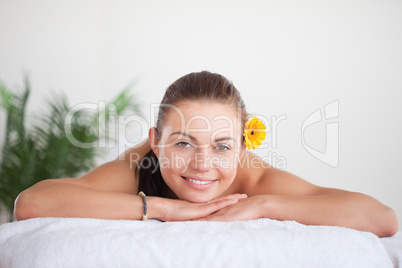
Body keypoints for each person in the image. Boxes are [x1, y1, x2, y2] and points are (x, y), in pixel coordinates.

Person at [14, 71, 398, 237]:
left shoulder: (257, 179)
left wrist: (262, 205)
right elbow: (31, 204)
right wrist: (165, 209)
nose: (202, 164)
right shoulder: (141, 165)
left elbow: (381, 219)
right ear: (156, 142)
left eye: (222, 146)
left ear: (243, 147)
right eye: (182, 143)